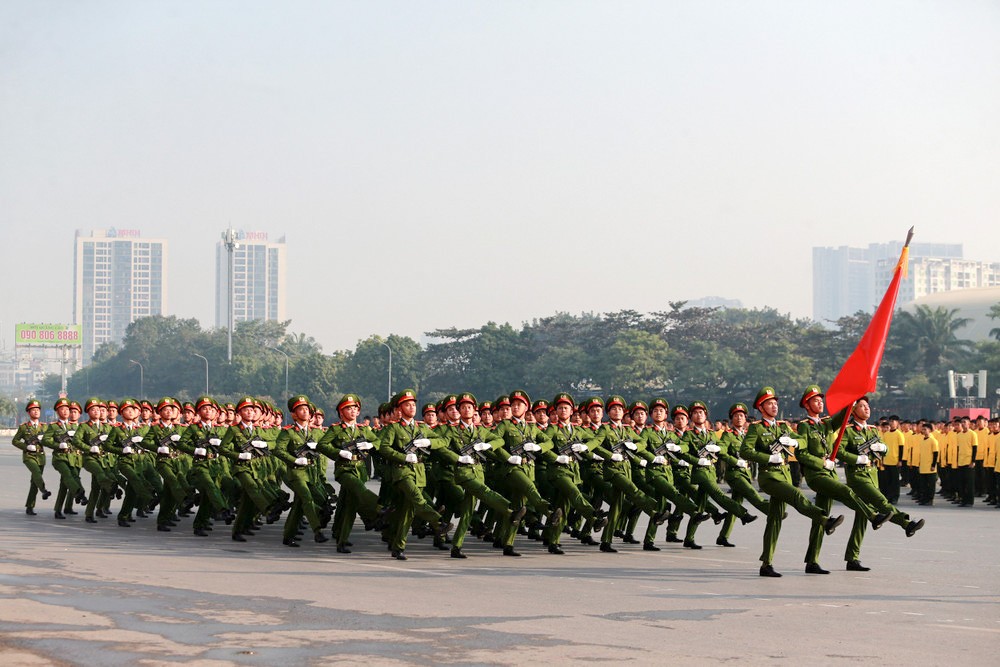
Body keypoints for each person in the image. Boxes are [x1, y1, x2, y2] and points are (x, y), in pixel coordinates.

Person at [741, 387, 844, 578]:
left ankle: (766, 564)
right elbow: (745, 451)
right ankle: (824, 520)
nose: (774, 406)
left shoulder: (783, 426)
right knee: (797, 495)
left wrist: (795, 442)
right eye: (769, 404)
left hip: (785, 474)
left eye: (775, 403)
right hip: (769, 476)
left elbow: (802, 441)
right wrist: (768, 458)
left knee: (774, 520)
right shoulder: (756, 427)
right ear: (761, 407)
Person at [795, 386, 889, 574]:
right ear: (806, 405)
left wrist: (851, 401)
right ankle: (872, 516)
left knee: (821, 517)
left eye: (821, 399)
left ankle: (812, 561)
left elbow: (842, 417)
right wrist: (821, 463)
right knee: (846, 491)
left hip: (829, 474)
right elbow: (801, 453)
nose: (820, 402)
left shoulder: (826, 424)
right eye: (815, 400)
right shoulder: (804, 426)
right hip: (817, 474)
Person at [836, 397, 925, 569]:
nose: (866, 409)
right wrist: (857, 459)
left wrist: (882, 449)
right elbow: (838, 451)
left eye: (867, 406)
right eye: (862, 406)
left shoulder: (873, 431)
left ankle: (852, 558)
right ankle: (906, 523)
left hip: (872, 475)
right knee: (881, 501)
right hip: (858, 477)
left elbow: (884, 448)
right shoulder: (847, 431)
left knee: (862, 519)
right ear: (853, 411)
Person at [377, 389, 453, 561]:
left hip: (418, 472)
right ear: (399, 409)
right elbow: (384, 448)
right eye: (407, 405)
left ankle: (398, 547)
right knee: (418, 498)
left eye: (413, 404)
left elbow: (444, 441)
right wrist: (403, 456)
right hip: (402, 471)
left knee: (407, 512)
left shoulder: (422, 428)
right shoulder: (394, 428)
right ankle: (438, 522)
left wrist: (429, 442)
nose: (411, 407)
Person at [715, 403, 770, 548]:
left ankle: (723, 536)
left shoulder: (748, 434)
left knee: (735, 505)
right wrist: (735, 461)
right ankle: (771, 511)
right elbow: (722, 451)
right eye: (735, 416)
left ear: (746, 418)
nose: (739, 418)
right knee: (751, 493)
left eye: (741, 416)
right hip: (734, 473)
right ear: (731, 418)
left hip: (745, 473)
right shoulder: (728, 435)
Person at [11, 399, 51, 514]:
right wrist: (26, 447)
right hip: (29, 456)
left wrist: (45, 441)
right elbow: (15, 441)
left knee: (34, 481)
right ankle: (44, 490)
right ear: (29, 413)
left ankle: (30, 506)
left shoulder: (44, 427)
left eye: (38, 410)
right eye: (33, 410)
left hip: (41, 456)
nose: (36, 412)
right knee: (37, 474)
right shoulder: (24, 427)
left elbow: (50, 440)